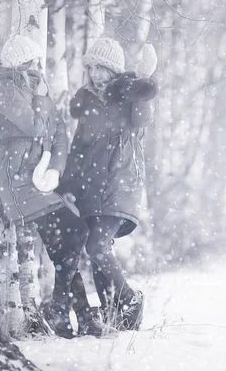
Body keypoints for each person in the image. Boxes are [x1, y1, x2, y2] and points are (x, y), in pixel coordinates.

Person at [0, 35, 110, 338]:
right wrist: (40, 98)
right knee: (76, 233)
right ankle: (59, 307)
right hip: (18, 181)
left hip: (42, 180)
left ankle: (80, 318)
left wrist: (56, 169)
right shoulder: (7, 88)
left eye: (38, 63)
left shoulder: (35, 89)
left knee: (64, 247)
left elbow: (58, 134)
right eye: (32, 63)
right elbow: (35, 125)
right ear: (20, 64)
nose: (37, 68)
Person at [58, 38, 158, 331]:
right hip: (90, 185)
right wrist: (67, 185)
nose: (96, 75)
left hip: (120, 181)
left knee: (97, 246)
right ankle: (114, 313)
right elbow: (78, 148)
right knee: (99, 249)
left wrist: (142, 85)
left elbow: (141, 120)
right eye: (91, 68)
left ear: (114, 70)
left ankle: (130, 300)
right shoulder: (87, 101)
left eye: (102, 68)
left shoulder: (128, 95)